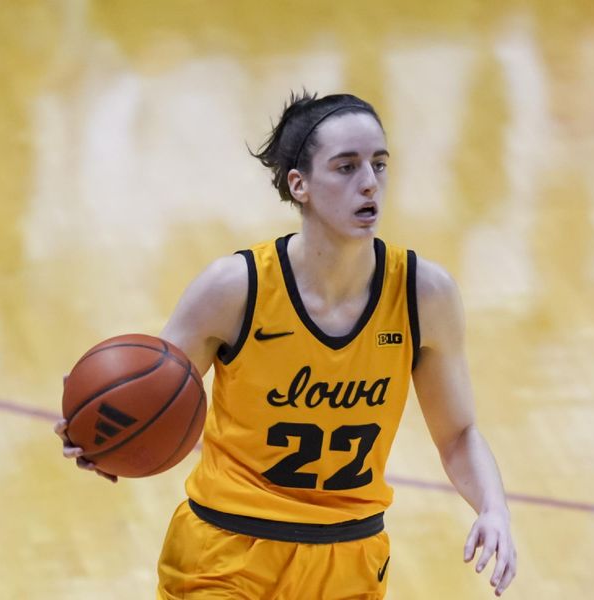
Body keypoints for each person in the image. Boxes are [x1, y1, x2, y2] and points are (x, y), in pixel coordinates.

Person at [55, 92, 517, 598]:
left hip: (350, 558)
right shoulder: (234, 289)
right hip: (224, 551)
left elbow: (458, 433)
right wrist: (104, 431)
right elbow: (157, 396)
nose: (369, 182)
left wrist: (493, 508)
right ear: (300, 185)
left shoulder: (423, 294)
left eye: (379, 164)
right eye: (345, 167)